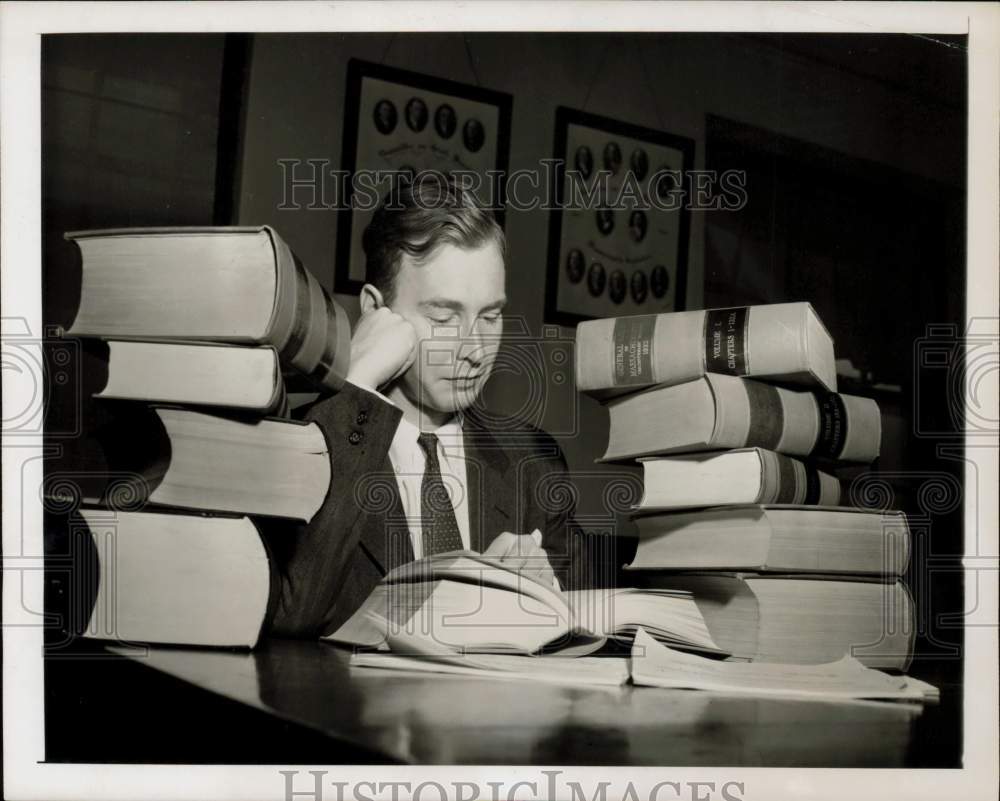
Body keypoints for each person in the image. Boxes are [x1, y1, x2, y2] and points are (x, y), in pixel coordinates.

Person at [267, 178, 583, 637]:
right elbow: (292, 616)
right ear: (377, 311)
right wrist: (357, 384)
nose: (474, 348)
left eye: (491, 316)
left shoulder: (535, 461)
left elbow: (584, 641)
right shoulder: (301, 443)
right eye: (443, 318)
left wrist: (546, 594)